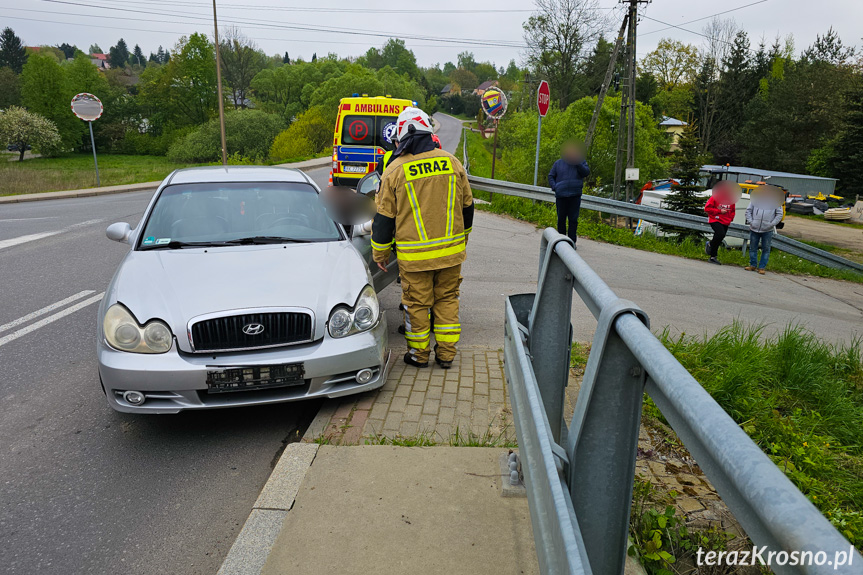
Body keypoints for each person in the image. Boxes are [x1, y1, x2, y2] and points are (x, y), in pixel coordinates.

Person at [372, 107, 474, 369]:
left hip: (415, 258)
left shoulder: (395, 170)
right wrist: (462, 238)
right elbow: (467, 207)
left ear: (404, 134)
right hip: (451, 254)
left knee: (416, 305)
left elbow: (383, 219)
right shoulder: (452, 163)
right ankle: (446, 355)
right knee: (448, 300)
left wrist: (380, 254)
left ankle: (419, 356)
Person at [548, 140, 590, 246]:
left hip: (575, 195)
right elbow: (551, 176)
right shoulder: (558, 163)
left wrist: (577, 162)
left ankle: (572, 242)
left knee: (573, 219)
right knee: (561, 219)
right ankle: (561, 241)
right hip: (561, 195)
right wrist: (555, 187)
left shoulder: (581, 162)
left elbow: (586, 173)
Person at [745, 185, 784, 275]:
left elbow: (779, 214)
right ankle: (753, 265)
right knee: (752, 248)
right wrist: (751, 222)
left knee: (766, 249)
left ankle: (762, 267)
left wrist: (771, 224)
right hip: (754, 228)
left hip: (767, 229)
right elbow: (748, 211)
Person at [703, 181, 738, 265]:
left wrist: (730, 218)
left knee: (719, 238)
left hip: (725, 221)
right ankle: (712, 251)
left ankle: (712, 255)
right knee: (720, 234)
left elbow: (733, 211)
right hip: (715, 219)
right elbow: (707, 209)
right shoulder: (715, 198)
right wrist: (719, 211)